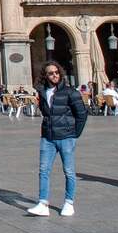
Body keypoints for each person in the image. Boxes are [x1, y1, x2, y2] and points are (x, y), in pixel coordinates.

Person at [27, 61, 86, 217]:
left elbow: (82, 114)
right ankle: (43, 203)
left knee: (69, 171)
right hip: (48, 137)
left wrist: (74, 133)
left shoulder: (70, 92)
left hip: (66, 137)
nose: (54, 75)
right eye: (51, 73)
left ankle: (69, 202)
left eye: (56, 72)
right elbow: (46, 113)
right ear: (45, 76)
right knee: (43, 170)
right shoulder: (43, 91)